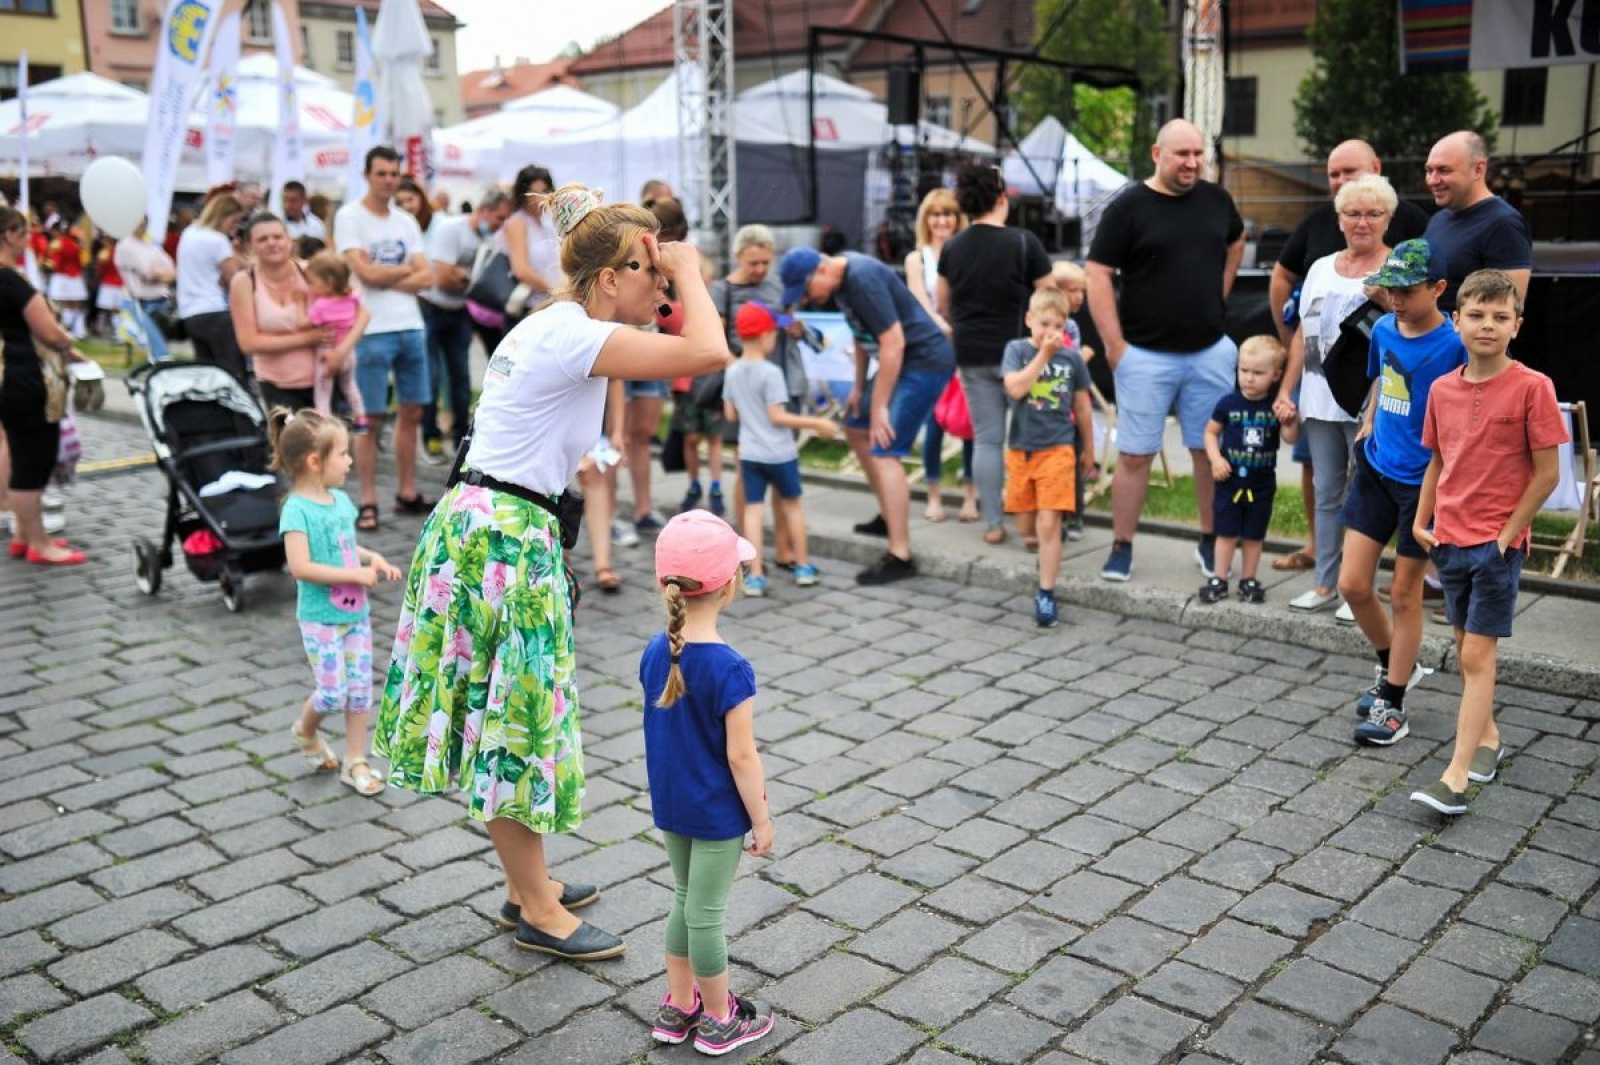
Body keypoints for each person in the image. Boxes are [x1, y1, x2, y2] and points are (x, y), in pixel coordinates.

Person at [374, 183, 733, 964]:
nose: (660, 281)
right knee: (515, 722)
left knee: (516, 710)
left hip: (494, 530)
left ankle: (524, 879)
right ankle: (533, 903)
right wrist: (696, 274)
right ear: (608, 279)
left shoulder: (564, 327)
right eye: (647, 269)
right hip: (500, 539)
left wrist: (659, 265)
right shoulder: (571, 335)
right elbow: (709, 353)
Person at [1408, 270, 1566, 816]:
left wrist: (1506, 534)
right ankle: (1491, 740)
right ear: (1457, 321)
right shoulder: (1442, 389)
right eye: (1476, 315)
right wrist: (1421, 521)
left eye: (1501, 317)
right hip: (1448, 538)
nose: (1487, 325)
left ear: (1517, 326)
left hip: (1496, 545)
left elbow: (1546, 473)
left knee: (1478, 653)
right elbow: (1438, 459)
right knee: (1466, 650)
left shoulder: (1532, 387)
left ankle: (1456, 776)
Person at [1087, 119, 1245, 583]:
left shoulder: (1217, 200)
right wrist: (1114, 346)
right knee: (1135, 455)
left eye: (1199, 154)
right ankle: (1121, 545)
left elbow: (1236, 242)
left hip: (1209, 351)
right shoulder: (1129, 208)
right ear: (1158, 153)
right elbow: (1097, 272)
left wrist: (1219, 293)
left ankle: (1209, 539)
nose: (1193, 163)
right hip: (1145, 354)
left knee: (1206, 450)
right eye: (1183, 155)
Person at [642, 510, 776, 1055]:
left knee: (684, 897)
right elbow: (741, 756)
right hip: (717, 813)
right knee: (707, 914)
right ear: (729, 585)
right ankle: (721, 1017)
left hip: (671, 805)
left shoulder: (657, 651)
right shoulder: (729, 668)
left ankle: (679, 1005)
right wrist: (762, 818)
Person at [1339, 239, 1464, 747]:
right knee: (1352, 584)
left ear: (1438, 288)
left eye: (1407, 291)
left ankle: (1393, 702)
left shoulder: (1455, 345)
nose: (1395, 299)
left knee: (1406, 593)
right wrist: (1369, 422)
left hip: (1423, 484)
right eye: (1389, 288)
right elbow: (1380, 381)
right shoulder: (1385, 327)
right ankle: (1396, 665)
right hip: (1375, 467)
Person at [780, 243, 955, 585]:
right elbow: (863, 337)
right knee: (856, 426)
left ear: (822, 270)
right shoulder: (843, 282)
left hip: (925, 360)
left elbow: (893, 343)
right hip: (903, 360)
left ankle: (900, 554)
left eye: (805, 291)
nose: (806, 300)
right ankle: (890, 515)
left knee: (884, 444)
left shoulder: (862, 278)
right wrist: (860, 389)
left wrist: (880, 410)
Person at [1274, 173, 1396, 614]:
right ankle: (1326, 585)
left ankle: (1357, 589)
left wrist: (1389, 301)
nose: (1363, 222)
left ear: (1388, 219)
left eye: (1373, 214)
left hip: (1372, 401)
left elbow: (1415, 331)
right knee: (1327, 490)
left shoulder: (1397, 267)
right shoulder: (1321, 266)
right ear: (1339, 219)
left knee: (1367, 494)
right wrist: (1288, 389)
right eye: (1353, 213)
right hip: (1320, 397)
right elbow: (1304, 334)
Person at [269, 407, 400, 796]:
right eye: (342, 454)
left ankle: (355, 760)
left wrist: (369, 558)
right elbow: (301, 566)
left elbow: (342, 546)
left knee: (360, 689)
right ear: (314, 462)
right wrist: (353, 575)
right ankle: (305, 731)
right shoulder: (296, 510)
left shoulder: (340, 502)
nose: (348, 460)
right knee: (331, 692)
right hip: (321, 618)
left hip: (355, 613)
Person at [937, 165, 1053, 545]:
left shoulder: (952, 247)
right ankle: (1030, 524)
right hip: (1018, 354)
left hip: (970, 351)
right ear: (1003, 198)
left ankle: (992, 523)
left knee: (987, 439)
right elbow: (1049, 299)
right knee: (1027, 437)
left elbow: (943, 304)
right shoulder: (1024, 243)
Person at [333, 145, 434, 532]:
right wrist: (403, 271)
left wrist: (384, 271)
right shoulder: (350, 216)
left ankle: (407, 491)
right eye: (382, 173)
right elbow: (365, 274)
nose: (389, 180)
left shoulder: (406, 220)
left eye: (394, 173)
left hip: (410, 326)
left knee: (412, 412)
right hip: (370, 328)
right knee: (369, 418)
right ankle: (369, 499)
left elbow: (428, 277)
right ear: (367, 175)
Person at [723, 300, 839, 596]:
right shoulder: (771, 372)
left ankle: (755, 575)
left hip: (749, 452)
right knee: (792, 507)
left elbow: (730, 415)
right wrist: (816, 423)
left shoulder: (732, 371)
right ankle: (802, 565)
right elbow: (777, 416)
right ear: (764, 336)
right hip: (780, 453)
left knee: (752, 512)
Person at [1000, 287, 1095, 628]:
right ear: (1028, 321)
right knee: (1026, 526)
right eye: (1043, 323)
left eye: (1057, 325)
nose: (1050, 332)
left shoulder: (1070, 360)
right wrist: (1043, 355)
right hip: (1022, 451)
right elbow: (1015, 389)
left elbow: (1083, 408)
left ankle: (1046, 592)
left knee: (1048, 523)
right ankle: (1043, 539)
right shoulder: (1016, 351)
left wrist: (1091, 453)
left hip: (1058, 448)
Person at [0, 207, 88, 565]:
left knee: (23, 455)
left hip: (9, 374)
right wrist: (70, 346)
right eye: (23, 234)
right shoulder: (12, 281)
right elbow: (48, 330)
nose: (27, 241)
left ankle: (25, 535)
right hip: (29, 377)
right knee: (32, 462)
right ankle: (39, 542)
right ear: (9, 235)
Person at [1200, 336, 1298, 605]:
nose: (1249, 379)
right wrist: (1215, 459)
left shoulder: (1274, 407)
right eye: (1243, 371)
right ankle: (1219, 577)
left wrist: (1289, 420)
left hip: (1262, 482)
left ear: (1276, 375)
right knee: (1227, 531)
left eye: (1258, 373)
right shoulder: (1228, 404)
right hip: (1229, 480)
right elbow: (1210, 433)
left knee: (1254, 533)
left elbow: (1290, 438)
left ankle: (1249, 578)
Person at [419, 187, 514, 462]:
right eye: (498, 217)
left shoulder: (493, 238)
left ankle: (462, 436)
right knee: (432, 377)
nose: (500, 225)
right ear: (484, 210)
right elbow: (441, 277)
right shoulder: (452, 229)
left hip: (460, 311)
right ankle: (431, 436)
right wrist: (470, 278)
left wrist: (462, 276)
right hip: (431, 309)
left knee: (461, 378)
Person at [903, 189, 977, 525]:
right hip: (934, 346)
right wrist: (945, 330)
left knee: (969, 421)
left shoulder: (967, 252)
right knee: (934, 423)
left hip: (966, 343)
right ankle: (933, 495)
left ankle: (970, 496)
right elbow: (919, 301)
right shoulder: (917, 258)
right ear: (926, 219)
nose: (942, 221)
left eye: (948, 214)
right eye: (935, 214)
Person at [228, 213, 330, 411]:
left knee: (330, 440)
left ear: (289, 241)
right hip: (276, 384)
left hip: (325, 380)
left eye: (277, 237)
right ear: (250, 245)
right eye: (262, 239)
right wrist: (308, 338)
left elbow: (347, 310)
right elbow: (249, 343)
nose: (272, 243)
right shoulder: (244, 282)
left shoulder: (311, 272)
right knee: (290, 440)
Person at [1422, 131, 1533, 312]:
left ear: (1478, 170)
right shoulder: (1438, 219)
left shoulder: (1503, 224)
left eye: (1444, 170)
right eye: (1429, 171)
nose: (1433, 180)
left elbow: (1505, 311)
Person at [1049, 260, 1097, 540]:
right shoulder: (1049, 326)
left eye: (1082, 291)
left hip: (1072, 408)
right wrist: (1085, 356)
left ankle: (1075, 515)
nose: (1079, 297)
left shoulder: (1073, 328)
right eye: (1073, 291)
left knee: (1074, 463)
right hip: (1052, 409)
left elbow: (1071, 369)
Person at [177, 192, 248, 382]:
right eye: (234, 221)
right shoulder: (218, 240)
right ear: (224, 216)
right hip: (215, 312)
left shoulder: (189, 233)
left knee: (207, 373)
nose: (235, 227)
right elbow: (235, 279)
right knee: (233, 375)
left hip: (190, 314)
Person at [301, 251, 370, 430]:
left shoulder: (322, 305)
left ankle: (324, 420)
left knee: (323, 389)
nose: (309, 286)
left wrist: (300, 308)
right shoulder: (352, 298)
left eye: (312, 282)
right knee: (350, 385)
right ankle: (361, 417)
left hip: (327, 352)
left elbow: (306, 323)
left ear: (328, 284)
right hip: (348, 352)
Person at [502, 165, 561, 320]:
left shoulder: (547, 223)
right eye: (533, 193)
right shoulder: (517, 223)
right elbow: (521, 270)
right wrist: (555, 291)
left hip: (548, 306)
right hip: (528, 308)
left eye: (543, 192)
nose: (538, 198)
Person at [115, 218, 178, 363]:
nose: (142, 226)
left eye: (144, 222)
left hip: (160, 301)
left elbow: (172, 270)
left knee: (162, 346)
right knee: (158, 349)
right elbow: (148, 274)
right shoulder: (125, 245)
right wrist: (161, 274)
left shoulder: (151, 245)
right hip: (139, 302)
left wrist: (160, 274)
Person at [45, 222, 88, 339]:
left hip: (62, 276)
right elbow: (82, 262)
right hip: (75, 276)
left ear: (56, 231)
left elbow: (55, 263)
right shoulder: (75, 244)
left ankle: (66, 329)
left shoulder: (56, 244)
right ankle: (79, 330)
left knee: (62, 304)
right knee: (75, 305)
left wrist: (45, 265)